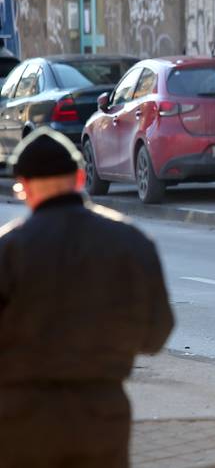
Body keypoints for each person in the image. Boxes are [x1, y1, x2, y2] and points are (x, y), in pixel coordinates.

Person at [0, 129, 174, 468]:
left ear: (24, 186)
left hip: (20, 418)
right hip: (101, 414)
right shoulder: (130, 242)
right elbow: (156, 334)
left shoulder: (9, 250)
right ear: (80, 176)